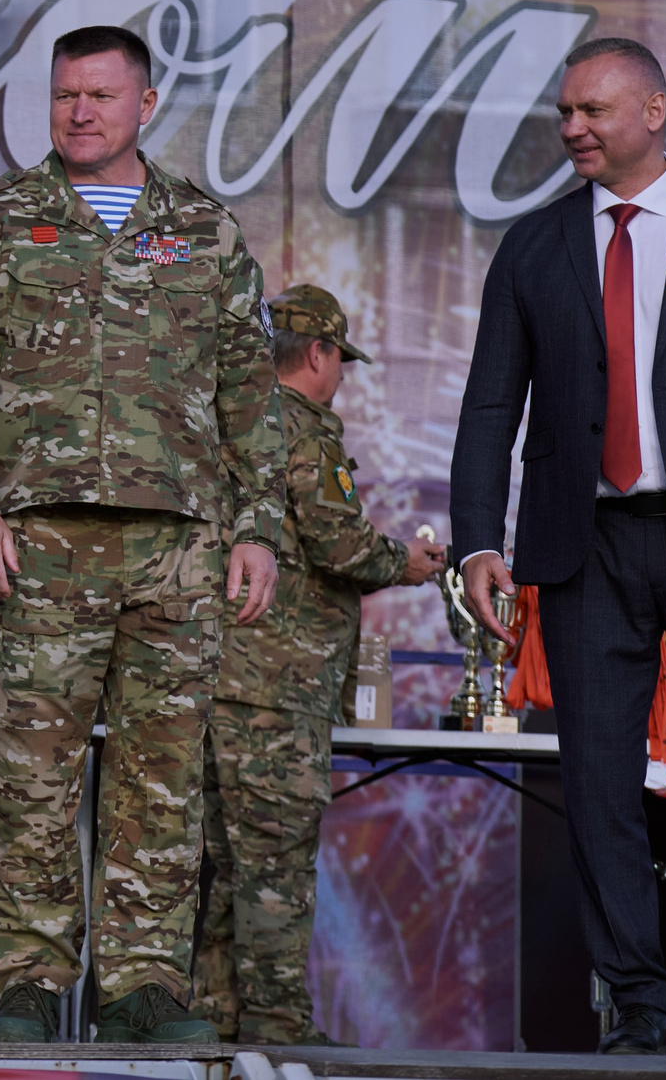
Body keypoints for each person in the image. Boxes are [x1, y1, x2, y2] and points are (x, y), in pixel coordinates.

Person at [0, 23, 283, 1046]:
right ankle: (28, 987)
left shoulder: (204, 232)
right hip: (35, 546)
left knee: (161, 781)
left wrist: (256, 531)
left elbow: (253, 398)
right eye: (65, 94)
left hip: (178, 551)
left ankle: (142, 990)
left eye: (101, 96)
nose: (80, 111)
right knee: (31, 776)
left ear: (145, 106)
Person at [449, 35, 666, 1059]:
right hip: (579, 550)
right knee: (599, 783)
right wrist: (477, 540)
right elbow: (487, 407)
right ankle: (637, 1004)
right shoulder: (532, 246)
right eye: (563, 113)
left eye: (592, 111)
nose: (571, 129)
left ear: (652, 112)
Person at [193, 285, 445, 1046]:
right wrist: (403, 560)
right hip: (278, 684)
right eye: (341, 358)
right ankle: (277, 1032)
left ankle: (213, 1033)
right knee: (273, 865)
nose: (340, 374)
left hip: (218, 679)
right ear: (318, 352)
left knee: (222, 868)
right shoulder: (299, 426)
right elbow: (337, 543)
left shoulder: (224, 424)